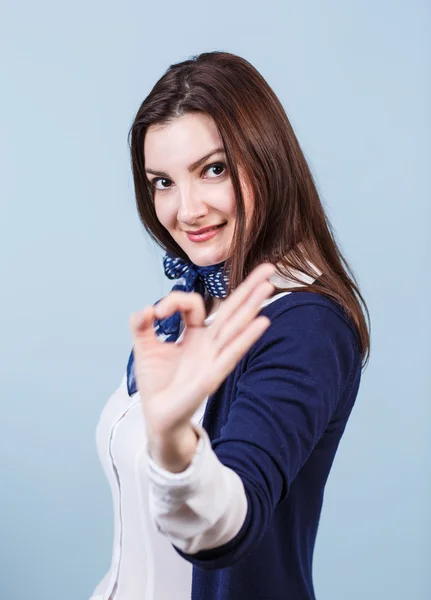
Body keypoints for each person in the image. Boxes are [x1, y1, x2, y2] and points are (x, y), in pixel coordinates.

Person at [89, 50, 370, 600]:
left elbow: (229, 520)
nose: (185, 209)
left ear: (267, 160)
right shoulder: (189, 307)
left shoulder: (307, 325)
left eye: (212, 170)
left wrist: (173, 444)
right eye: (162, 182)